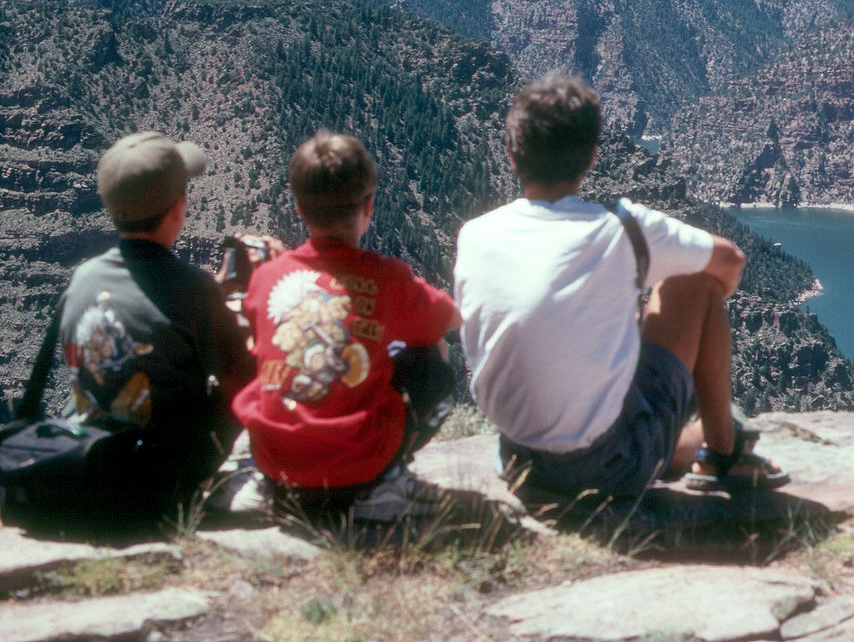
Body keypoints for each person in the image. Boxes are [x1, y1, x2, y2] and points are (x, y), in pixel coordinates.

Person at [453, 73, 787, 498]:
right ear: (592, 157)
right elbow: (730, 261)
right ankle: (722, 451)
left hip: (515, 458)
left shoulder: (475, 233)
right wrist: (696, 326)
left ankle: (690, 436)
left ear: (514, 156)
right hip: (604, 469)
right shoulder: (621, 229)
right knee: (694, 282)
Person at [231, 132, 460, 522]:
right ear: (369, 207)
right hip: (358, 467)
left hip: (277, 461)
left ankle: (261, 479)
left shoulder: (268, 275)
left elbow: (258, 329)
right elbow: (448, 318)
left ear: (299, 208)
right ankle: (385, 479)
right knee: (433, 350)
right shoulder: (387, 278)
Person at [58, 131, 255, 518]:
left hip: (87, 454)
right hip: (158, 472)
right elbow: (242, 377)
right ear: (178, 208)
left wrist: (213, 293)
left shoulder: (82, 277)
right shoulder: (193, 288)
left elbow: (146, 308)